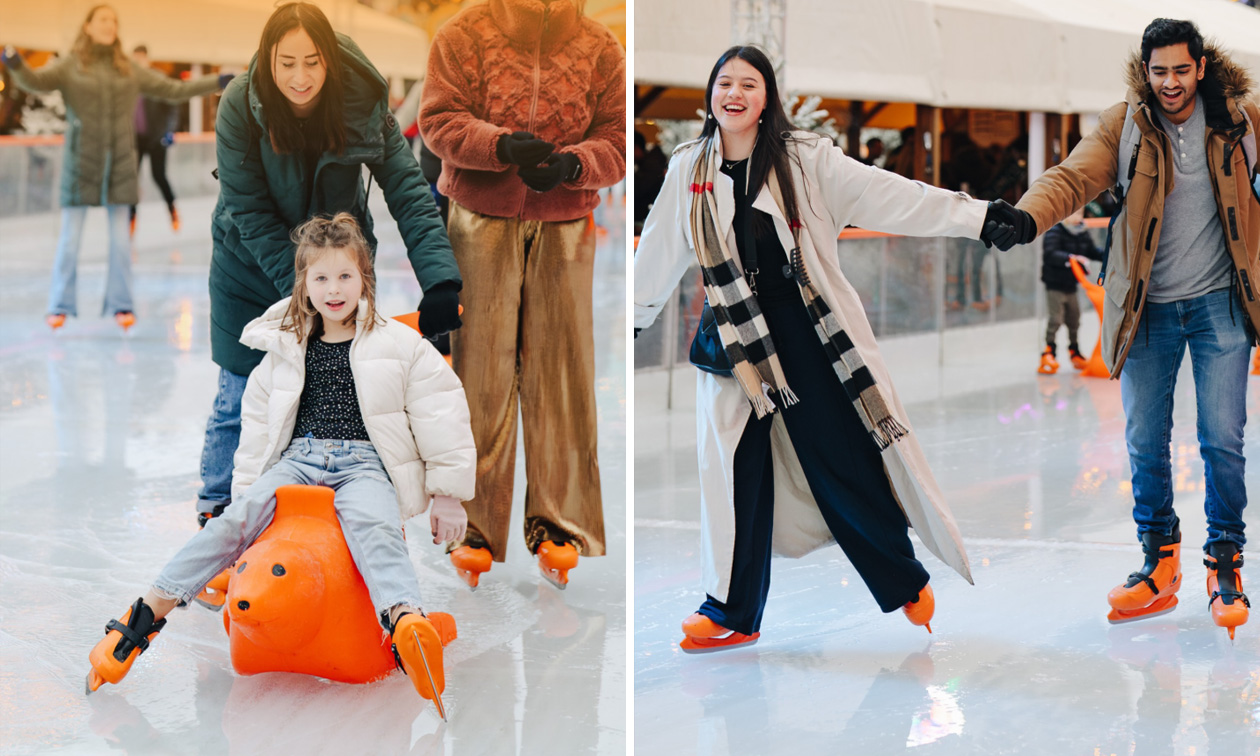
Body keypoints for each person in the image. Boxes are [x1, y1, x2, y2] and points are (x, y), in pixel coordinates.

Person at [634, 45, 1021, 651]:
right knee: (736, 476)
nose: (734, 94)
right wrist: (631, 318)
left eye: (749, 84)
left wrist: (974, 217)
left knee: (839, 458)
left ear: (767, 100)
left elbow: (892, 194)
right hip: (735, 341)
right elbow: (658, 249)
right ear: (710, 94)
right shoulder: (689, 169)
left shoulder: (805, 161)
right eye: (724, 83)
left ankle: (902, 577)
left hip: (806, 333)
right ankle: (730, 611)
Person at [85, 213, 476, 709]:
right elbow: (259, 430)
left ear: (365, 279)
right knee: (230, 525)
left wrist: (448, 494)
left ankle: (406, 624)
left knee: (374, 528)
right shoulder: (285, 345)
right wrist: (251, 494)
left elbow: (441, 412)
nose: (334, 289)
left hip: (363, 464)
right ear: (304, 284)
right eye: (321, 278)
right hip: (299, 459)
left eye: (345, 276)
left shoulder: (400, 345)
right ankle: (143, 616)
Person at [987, 18, 1259, 638]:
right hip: (1148, 308)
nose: (1170, 83)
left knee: (1223, 439)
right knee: (1143, 440)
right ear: (1146, 69)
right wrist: (1028, 218)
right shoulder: (1127, 124)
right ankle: (1158, 563)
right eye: (1159, 71)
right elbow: (1073, 177)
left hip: (1221, 303)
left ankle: (1225, 563)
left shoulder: (1240, 120)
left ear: (1201, 66)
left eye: (1181, 70)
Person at [197, 3, 462, 539]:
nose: (300, 78)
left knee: (349, 391)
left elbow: (408, 189)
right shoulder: (239, 106)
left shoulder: (360, 101)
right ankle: (217, 514)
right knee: (241, 389)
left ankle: (343, 519)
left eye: (313, 62)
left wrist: (440, 280)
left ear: (329, 62)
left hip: (341, 269)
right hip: (250, 267)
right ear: (267, 60)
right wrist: (302, 293)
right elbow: (248, 210)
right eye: (286, 62)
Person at [418, 0, 625, 589]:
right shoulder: (464, 31)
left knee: (561, 368)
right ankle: (473, 522)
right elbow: (438, 120)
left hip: (566, 223)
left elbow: (615, 136)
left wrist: (572, 165)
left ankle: (558, 521)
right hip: (479, 215)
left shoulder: (601, 45)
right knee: (478, 367)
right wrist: (502, 147)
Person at [1, 6, 225, 331]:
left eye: (114, 21)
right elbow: (36, 82)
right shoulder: (72, 65)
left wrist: (216, 81)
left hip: (120, 164)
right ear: (89, 26)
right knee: (69, 239)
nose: (110, 25)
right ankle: (60, 304)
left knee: (121, 240)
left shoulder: (128, 69)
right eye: (103, 19)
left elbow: (172, 89)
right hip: (80, 164)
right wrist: (16, 64)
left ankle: (121, 304)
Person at [1037, 207, 1103, 374]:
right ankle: (1048, 351)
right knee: (1055, 319)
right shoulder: (1055, 230)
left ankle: (1075, 351)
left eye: (1080, 213)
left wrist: (1109, 255)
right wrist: (1071, 258)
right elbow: (1051, 253)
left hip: (1071, 285)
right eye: (1075, 213)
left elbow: (1091, 251)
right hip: (1055, 284)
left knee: (1074, 318)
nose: (1078, 217)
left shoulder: (1081, 232)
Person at [127, 45, 180, 235]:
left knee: (159, 176)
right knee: (132, 179)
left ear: (146, 59)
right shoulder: (128, 81)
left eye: (140, 59)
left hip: (156, 138)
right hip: (136, 139)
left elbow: (172, 105)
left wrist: (168, 131)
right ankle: (130, 219)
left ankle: (172, 210)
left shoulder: (157, 78)